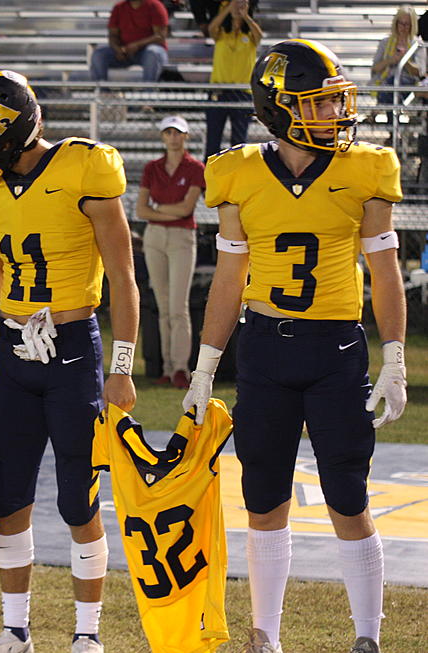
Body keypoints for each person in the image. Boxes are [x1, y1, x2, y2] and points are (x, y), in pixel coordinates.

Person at [183, 39, 407, 653]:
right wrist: (205, 368)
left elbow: (385, 274)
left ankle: (367, 637)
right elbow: (229, 279)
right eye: (320, 103)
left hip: (336, 350)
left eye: (338, 101)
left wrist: (395, 357)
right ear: (280, 109)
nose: (337, 113)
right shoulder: (236, 173)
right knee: (264, 496)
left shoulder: (365, 168)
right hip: (264, 350)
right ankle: (267, 637)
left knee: (348, 495)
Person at [0, 69, 140, 653]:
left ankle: (86, 634)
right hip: (13, 351)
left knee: (79, 496)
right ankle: (15, 629)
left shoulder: (85, 166)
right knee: (11, 495)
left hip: (74, 350)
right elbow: (0, 270)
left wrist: (121, 366)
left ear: (7, 135)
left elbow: (124, 279)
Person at [135, 115, 204, 389]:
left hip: (181, 236)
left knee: (178, 306)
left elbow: (187, 209)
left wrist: (157, 210)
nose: (173, 137)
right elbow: (140, 209)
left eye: (177, 133)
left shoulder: (195, 168)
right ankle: (166, 366)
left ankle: (180, 368)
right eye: (168, 132)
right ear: (163, 136)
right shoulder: (153, 167)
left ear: (185, 136)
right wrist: (167, 211)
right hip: (155, 236)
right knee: (163, 306)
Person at [204, 0, 261, 161]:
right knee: (213, 141)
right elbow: (211, 28)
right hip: (219, 90)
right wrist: (229, 9)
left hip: (242, 92)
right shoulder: (221, 33)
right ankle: (209, 180)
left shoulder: (249, 35)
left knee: (239, 142)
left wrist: (246, 16)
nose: (238, 7)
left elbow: (259, 36)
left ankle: (237, 178)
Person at [90, 0, 169, 83]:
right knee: (98, 54)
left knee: (152, 52)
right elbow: (112, 35)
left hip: (147, 52)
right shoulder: (119, 8)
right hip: (125, 52)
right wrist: (117, 49)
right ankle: (102, 92)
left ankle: (149, 92)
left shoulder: (155, 5)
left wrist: (137, 45)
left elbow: (160, 36)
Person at [370, 5, 425, 106]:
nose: (403, 27)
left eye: (407, 24)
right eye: (401, 23)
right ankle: (391, 115)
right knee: (389, 86)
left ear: (412, 25)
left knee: (392, 85)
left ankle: (380, 111)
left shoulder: (417, 44)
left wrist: (405, 61)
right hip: (385, 83)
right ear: (396, 23)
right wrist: (391, 60)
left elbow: (420, 72)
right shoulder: (385, 42)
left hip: (408, 84)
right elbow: (375, 68)